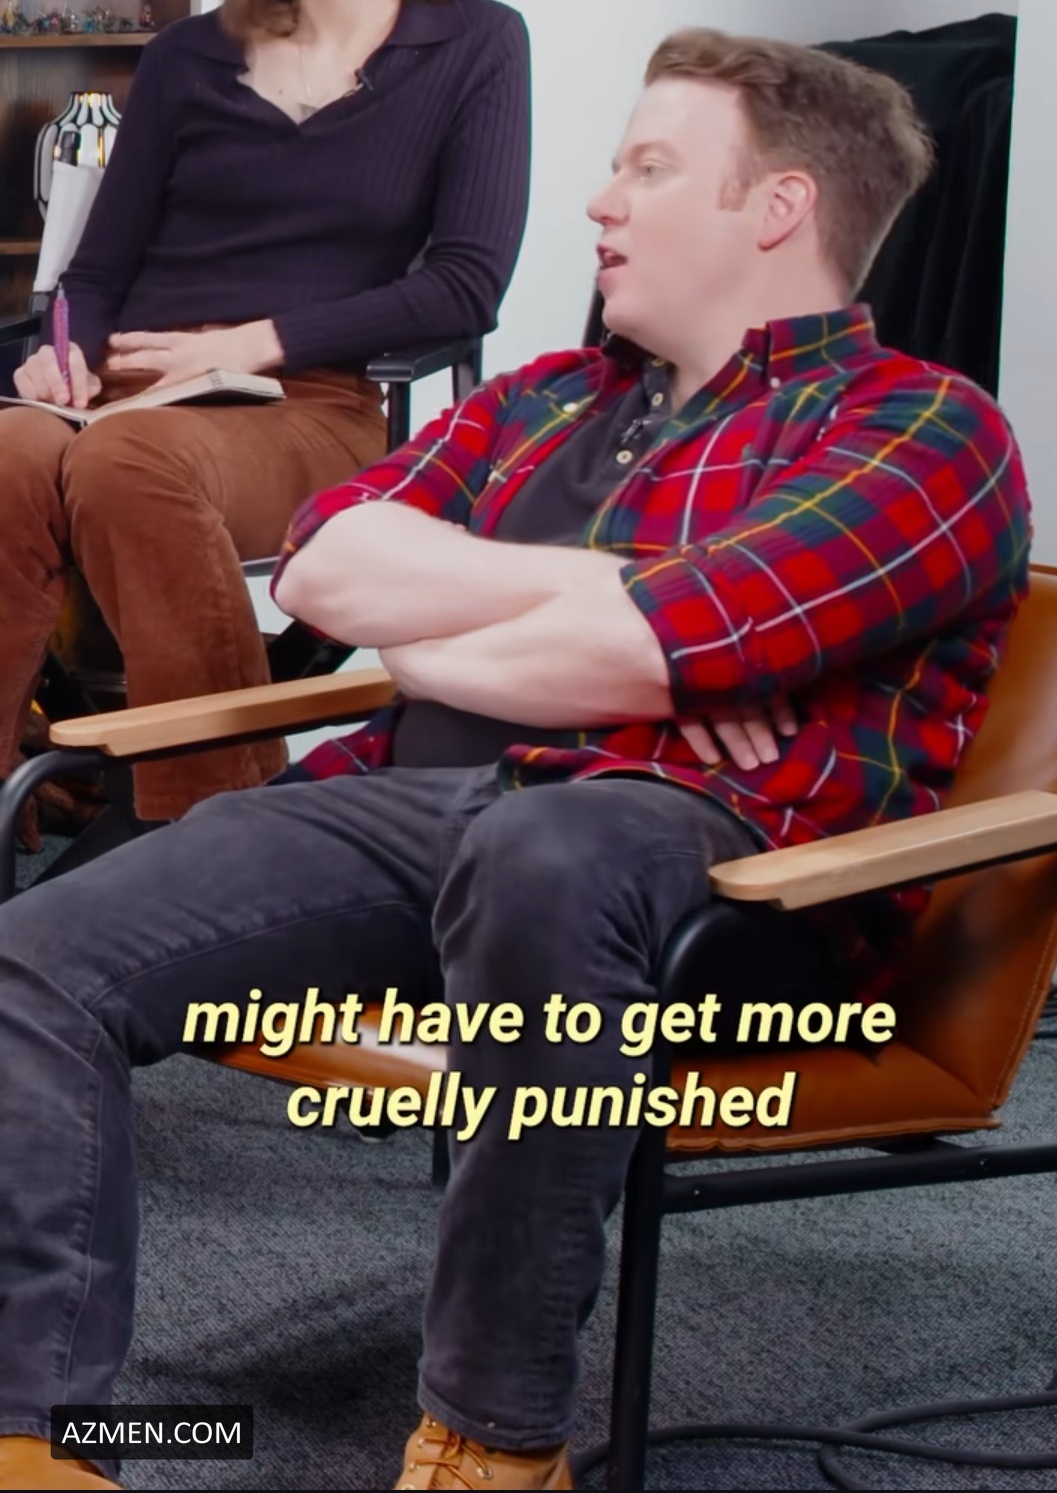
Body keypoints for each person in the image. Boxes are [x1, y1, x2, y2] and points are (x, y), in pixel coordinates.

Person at [0, 25, 1031, 1493]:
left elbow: (658, 642)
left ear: (779, 207)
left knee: (539, 849)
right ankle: (39, 1434)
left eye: (649, 167)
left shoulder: (922, 428)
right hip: (413, 808)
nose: (600, 200)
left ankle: (493, 1439)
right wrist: (578, 617)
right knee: (35, 957)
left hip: (708, 867)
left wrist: (481, 619)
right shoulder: (540, 397)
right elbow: (330, 569)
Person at [0, 0, 530, 842]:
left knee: (127, 460)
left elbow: (466, 284)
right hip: (124, 387)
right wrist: (66, 352)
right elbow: (97, 272)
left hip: (310, 399)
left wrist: (255, 342)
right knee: (11, 450)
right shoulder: (186, 54)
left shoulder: (474, 42)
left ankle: (215, 831)